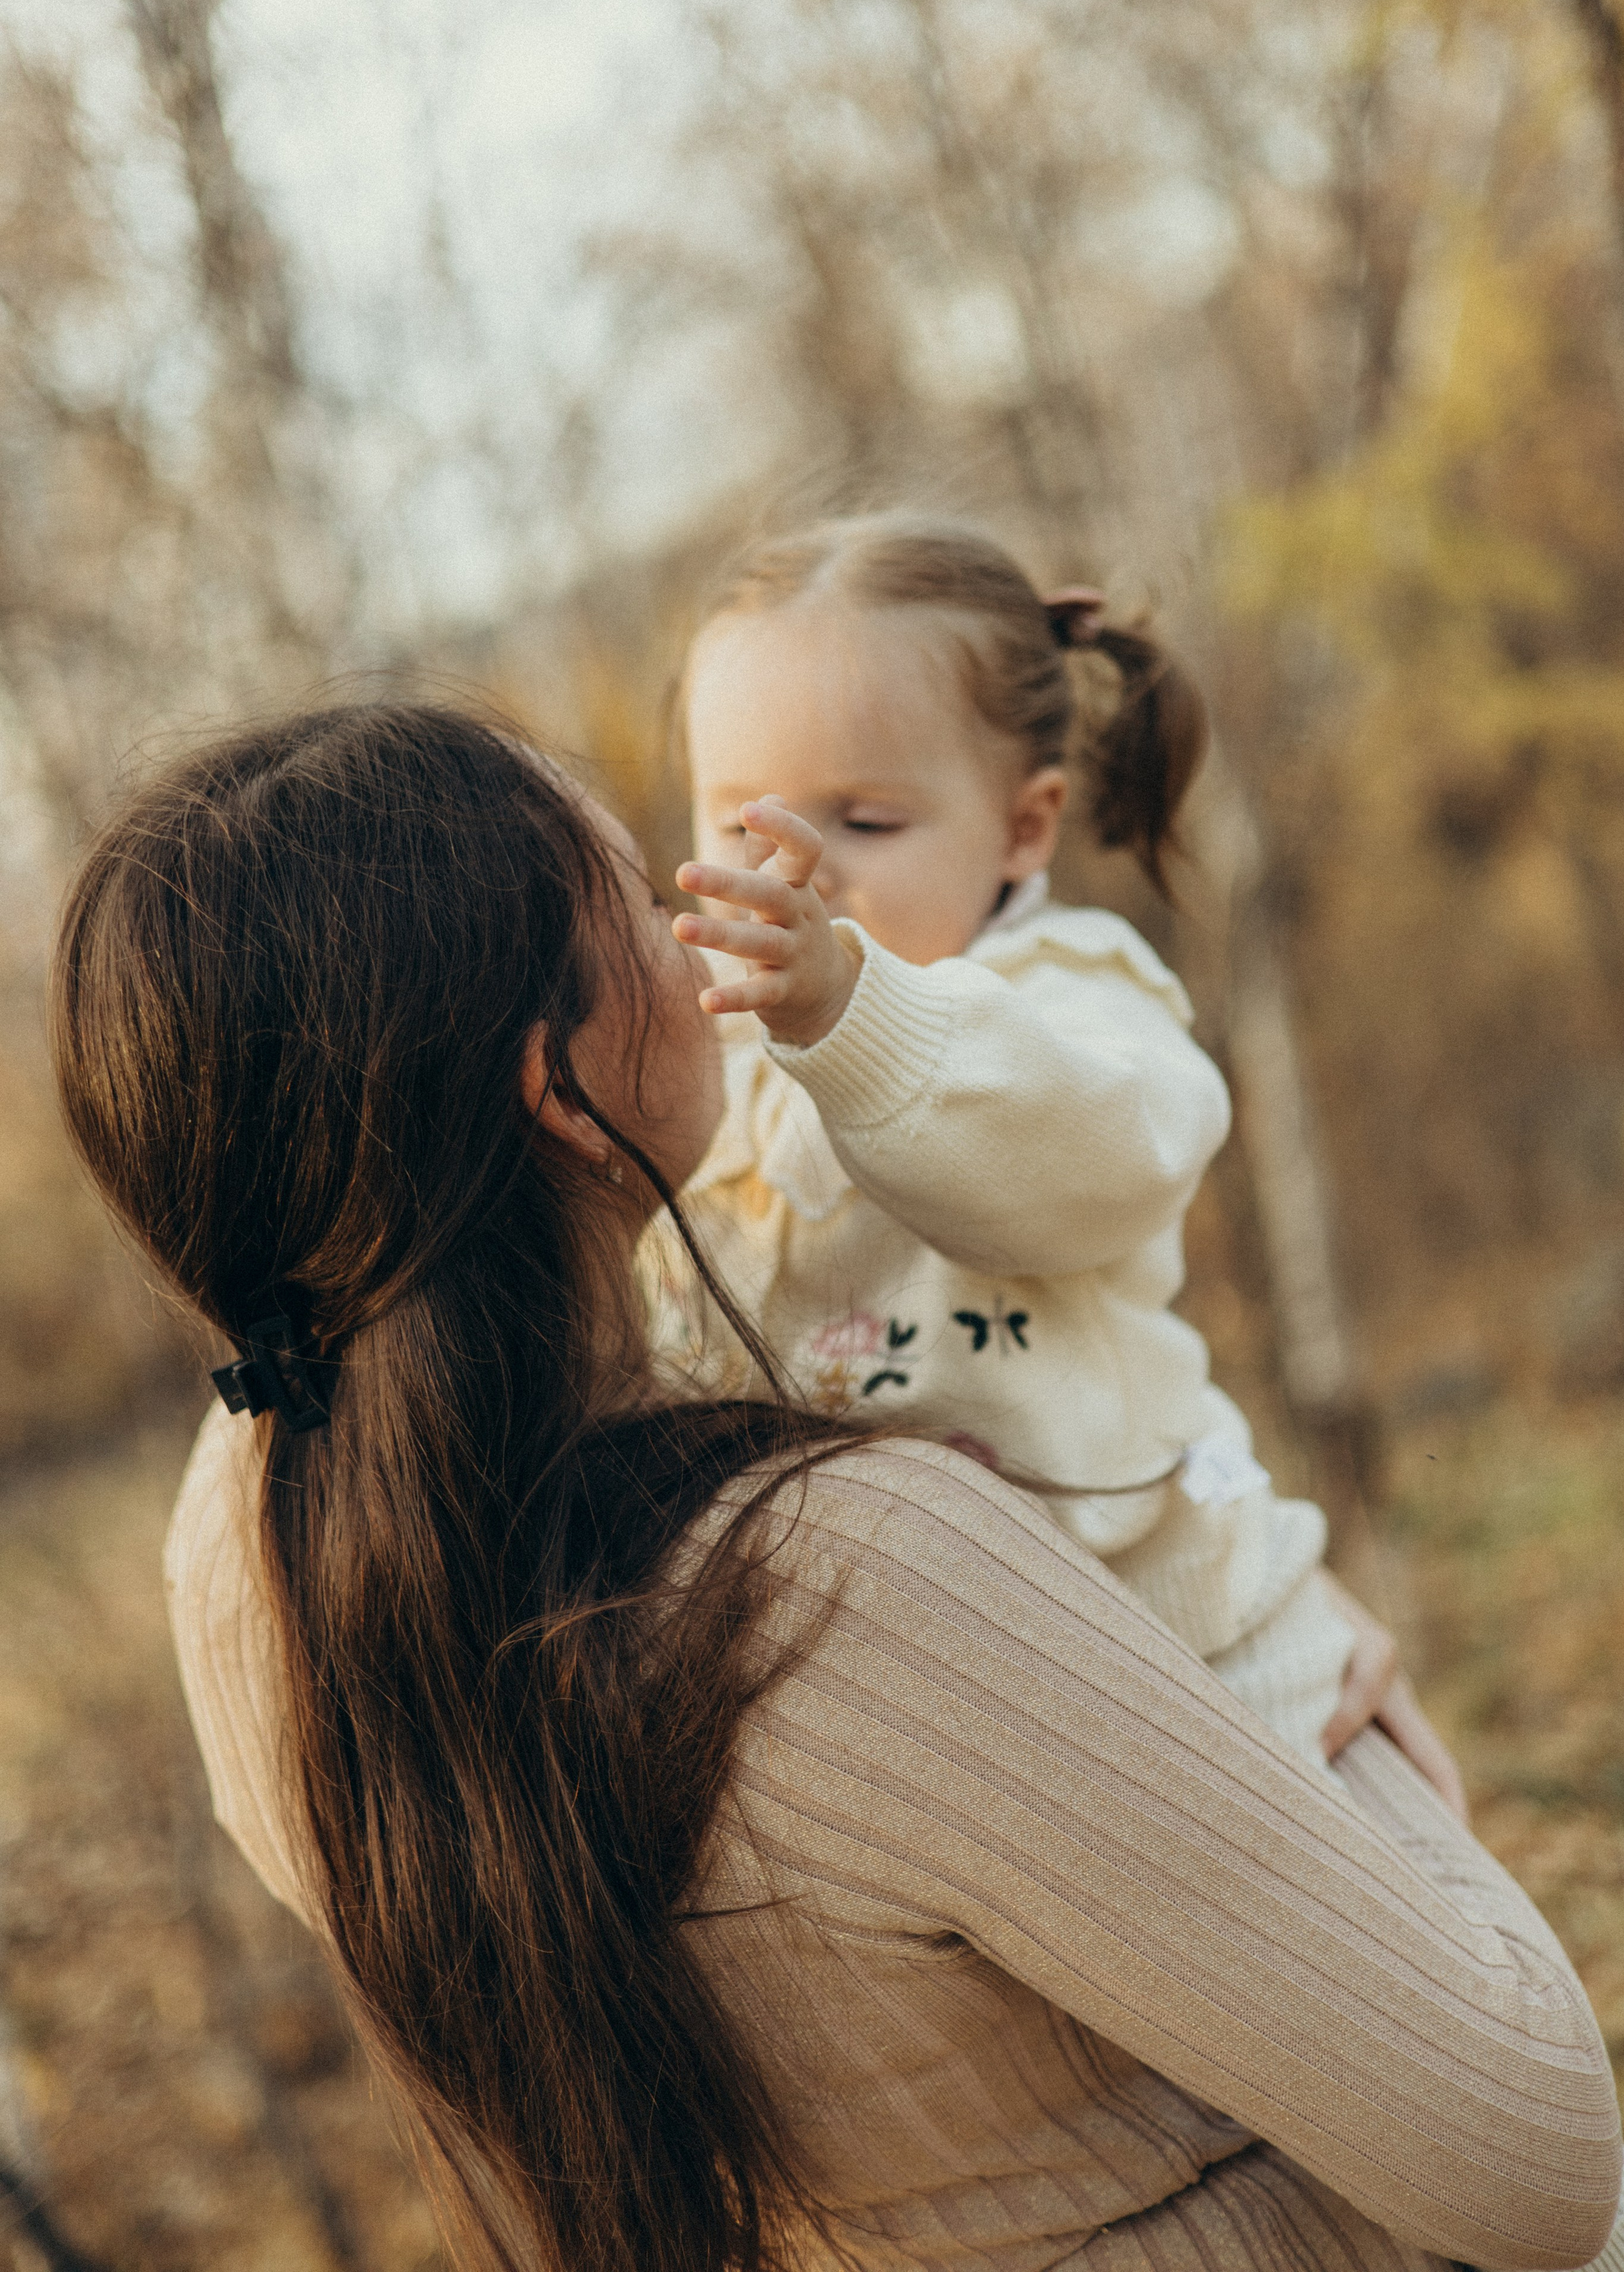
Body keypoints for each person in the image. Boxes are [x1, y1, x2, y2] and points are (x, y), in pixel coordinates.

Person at [50, 705, 1620, 2272]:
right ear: (561, 1092)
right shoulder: (840, 1576)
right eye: (646, 897)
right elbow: (1529, 2158)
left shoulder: (247, 1570)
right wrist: (1311, 1677)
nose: (705, 931)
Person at [664, 516, 1404, 1775]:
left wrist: (853, 1016)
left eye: (866, 822)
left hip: (1194, 1641)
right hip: (925, 1710)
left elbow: (1080, 1152)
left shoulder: (1073, 997)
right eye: (743, 825)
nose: (796, 876)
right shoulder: (703, 1056)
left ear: (1022, 827)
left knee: (1357, 1893)